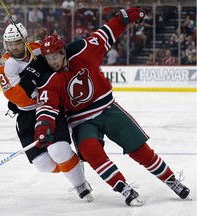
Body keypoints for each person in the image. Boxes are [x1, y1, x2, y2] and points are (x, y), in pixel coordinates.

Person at [30, 8, 190, 206]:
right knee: (92, 153)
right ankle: (123, 188)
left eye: (55, 56)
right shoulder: (49, 78)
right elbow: (47, 106)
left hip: (108, 109)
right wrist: (42, 126)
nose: (52, 61)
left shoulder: (83, 50)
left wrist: (124, 19)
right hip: (81, 121)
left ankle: (171, 180)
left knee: (140, 150)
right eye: (48, 58)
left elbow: (105, 33)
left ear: (63, 51)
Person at [0, 23, 93, 201]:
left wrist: (45, 73)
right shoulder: (4, 65)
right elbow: (20, 99)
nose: (14, 47)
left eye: (17, 42)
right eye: (10, 44)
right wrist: (34, 74)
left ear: (24, 40)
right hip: (27, 115)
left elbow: (62, 59)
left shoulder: (39, 49)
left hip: (50, 106)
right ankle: (73, 165)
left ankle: (80, 183)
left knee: (59, 150)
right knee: (43, 164)